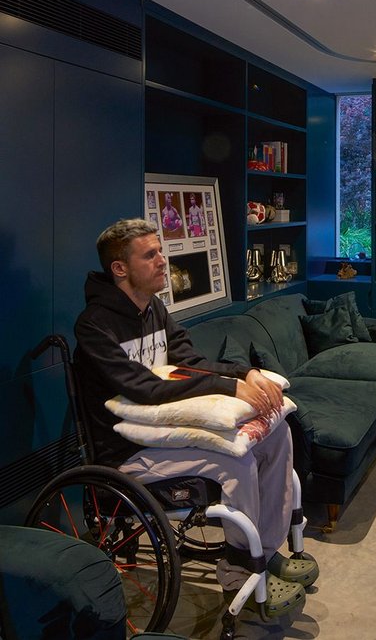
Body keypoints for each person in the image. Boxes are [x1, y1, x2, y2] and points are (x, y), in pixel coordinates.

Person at [73, 218, 317, 618]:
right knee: (235, 459)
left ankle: (266, 552)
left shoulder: (154, 309)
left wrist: (244, 374)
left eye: (160, 251)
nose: (162, 261)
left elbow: (192, 361)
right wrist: (227, 389)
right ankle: (239, 573)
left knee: (276, 436)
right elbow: (143, 389)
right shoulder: (94, 325)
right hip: (127, 453)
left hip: (167, 436)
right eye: (149, 254)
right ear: (120, 268)